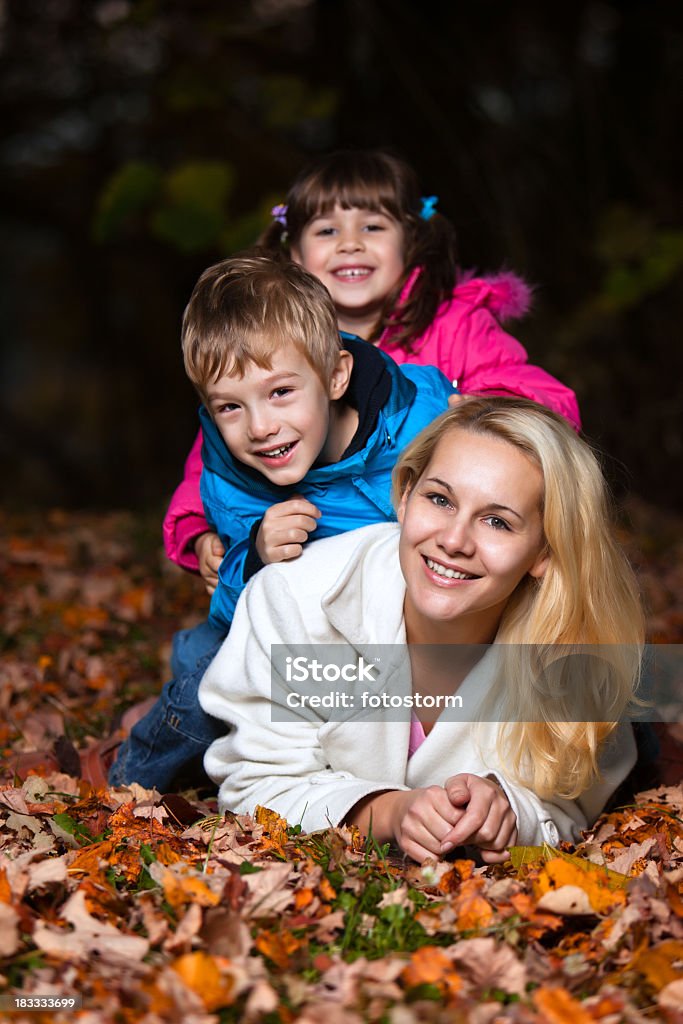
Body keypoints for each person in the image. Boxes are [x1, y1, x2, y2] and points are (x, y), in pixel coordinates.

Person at [199, 398, 643, 863]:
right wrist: (389, 811)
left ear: (544, 551)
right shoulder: (294, 597)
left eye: (497, 521)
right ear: (406, 496)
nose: (453, 540)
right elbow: (257, 783)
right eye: (440, 499)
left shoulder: (576, 648)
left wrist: (510, 812)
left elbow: (568, 801)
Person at [164, 148, 580, 600]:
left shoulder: (453, 323)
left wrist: (488, 409)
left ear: (411, 240)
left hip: (443, 531)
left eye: (373, 227)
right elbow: (217, 458)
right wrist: (198, 534)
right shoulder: (264, 349)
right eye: (327, 230)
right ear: (294, 251)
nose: (350, 243)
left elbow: (543, 397)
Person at [107, 255, 455, 790]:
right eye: (229, 407)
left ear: (337, 375)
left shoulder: (424, 422)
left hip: (414, 635)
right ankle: (125, 773)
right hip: (301, 652)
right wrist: (256, 554)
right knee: (209, 693)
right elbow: (231, 612)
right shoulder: (234, 479)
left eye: (280, 392)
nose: (261, 427)